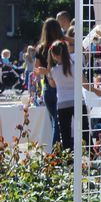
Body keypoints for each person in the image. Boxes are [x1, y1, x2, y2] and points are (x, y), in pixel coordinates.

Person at [39, 39, 74, 150]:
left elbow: (53, 84)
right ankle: (89, 154)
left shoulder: (54, 70)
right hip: (76, 101)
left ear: (53, 55)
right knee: (82, 129)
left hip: (62, 102)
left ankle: (61, 153)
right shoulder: (73, 65)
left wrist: (47, 73)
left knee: (63, 131)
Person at [35, 18, 65, 146]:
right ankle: (56, 151)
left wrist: (45, 72)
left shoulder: (40, 48)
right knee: (59, 123)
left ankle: (57, 150)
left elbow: (36, 69)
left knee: (54, 121)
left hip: (47, 88)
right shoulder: (61, 46)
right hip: (61, 88)